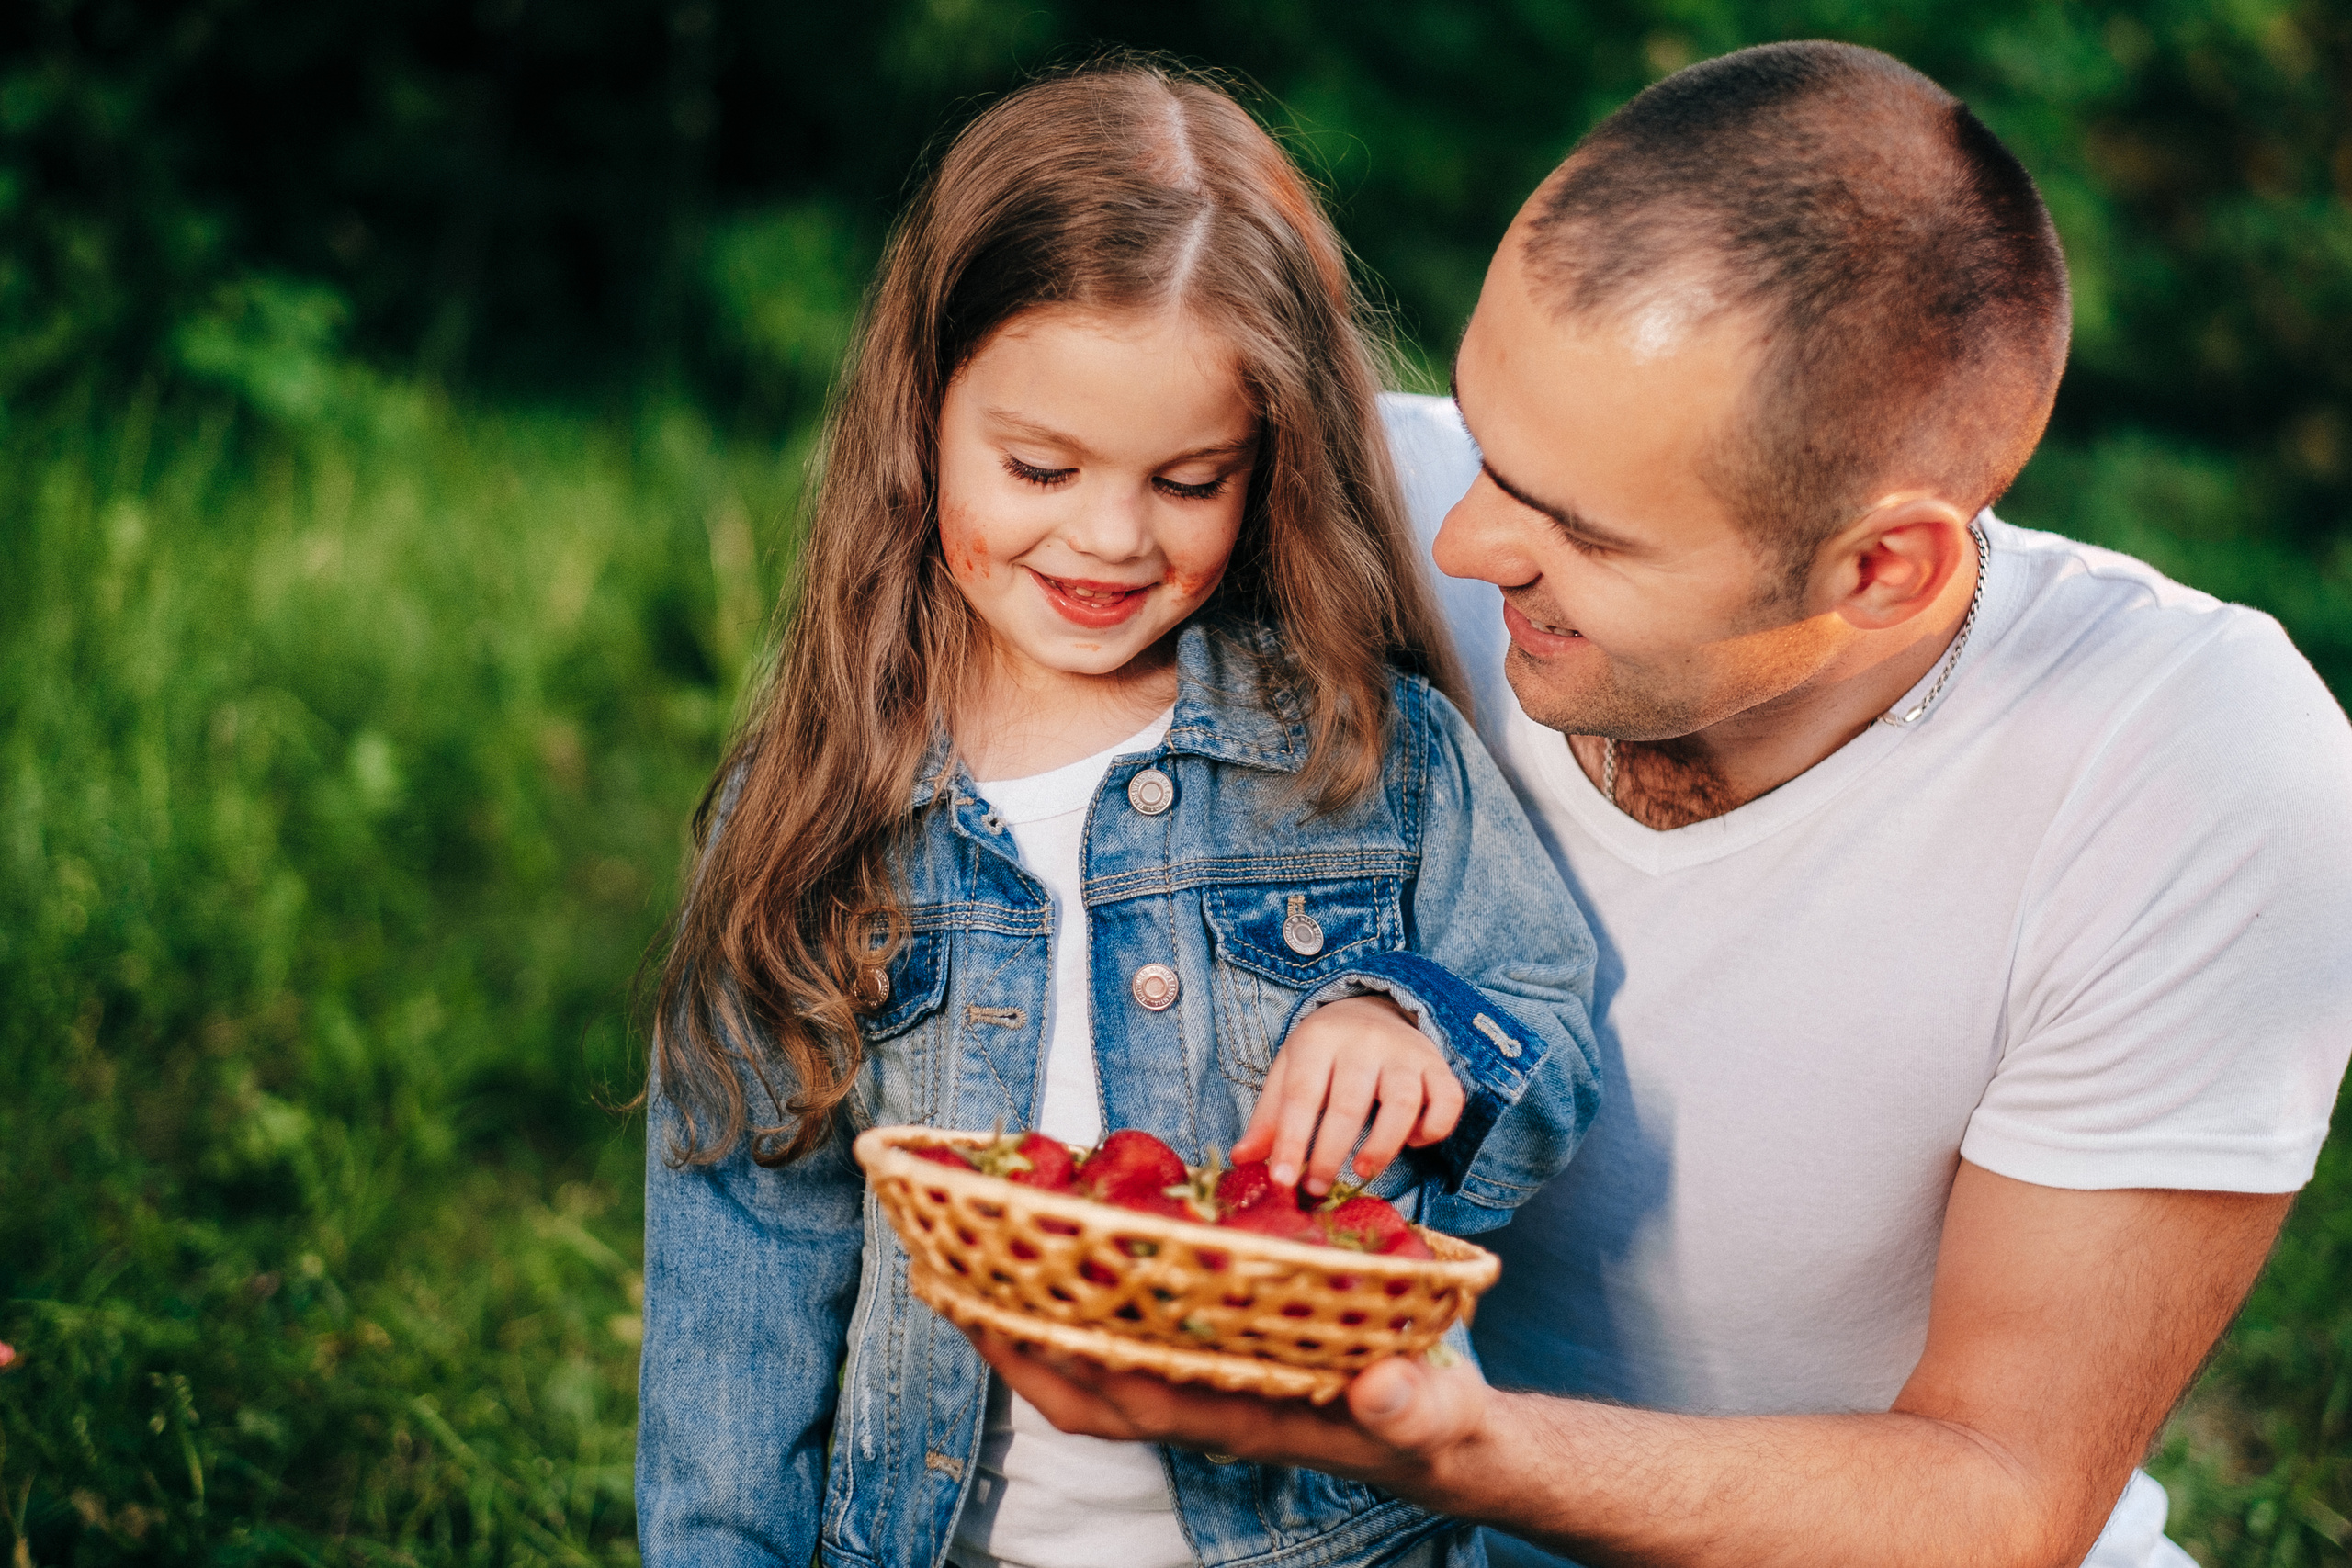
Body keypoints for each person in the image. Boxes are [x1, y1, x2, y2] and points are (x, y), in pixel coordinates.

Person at [967, 39, 2352, 1568]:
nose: (1466, 542)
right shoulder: (1340, 508)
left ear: (1880, 571)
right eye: (1484, 446)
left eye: (1578, 531)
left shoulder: (2191, 765)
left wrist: (1456, 1443)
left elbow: (1999, 1491)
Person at [632, 62, 1605, 1568]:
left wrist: (1411, 1022)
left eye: (1190, 480)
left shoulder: (1365, 752)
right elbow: (737, 1293)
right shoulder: (813, 817)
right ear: (921, 415)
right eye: (1039, 467)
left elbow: (1546, 1017)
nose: (1107, 535)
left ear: (1268, 465)